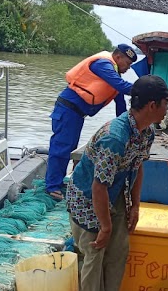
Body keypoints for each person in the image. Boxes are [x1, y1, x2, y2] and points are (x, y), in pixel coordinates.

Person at [66, 75, 168, 291]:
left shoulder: (146, 132)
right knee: (95, 249)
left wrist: (135, 206)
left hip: (114, 192)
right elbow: (98, 186)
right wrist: (105, 226)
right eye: (165, 103)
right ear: (152, 106)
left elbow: (137, 168)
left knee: (119, 247)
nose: (167, 109)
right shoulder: (115, 138)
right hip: (88, 195)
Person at [45, 44, 138, 201]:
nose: (128, 68)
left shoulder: (114, 76)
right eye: (128, 64)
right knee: (61, 147)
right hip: (68, 109)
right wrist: (145, 89)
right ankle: (52, 186)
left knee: (69, 147)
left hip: (76, 114)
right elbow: (121, 86)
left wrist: (126, 126)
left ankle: (57, 182)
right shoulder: (103, 65)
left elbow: (120, 104)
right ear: (118, 57)